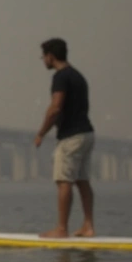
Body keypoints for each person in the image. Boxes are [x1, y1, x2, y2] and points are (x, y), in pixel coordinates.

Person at [33, 38, 97, 238]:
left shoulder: (61, 77)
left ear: (50, 56)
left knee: (64, 181)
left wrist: (41, 132)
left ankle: (61, 229)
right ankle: (88, 226)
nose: (43, 60)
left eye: (43, 56)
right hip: (87, 134)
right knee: (82, 180)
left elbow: (56, 107)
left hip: (71, 137)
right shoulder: (78, 76)